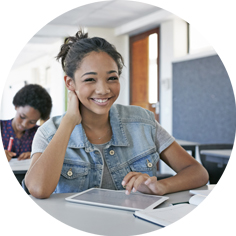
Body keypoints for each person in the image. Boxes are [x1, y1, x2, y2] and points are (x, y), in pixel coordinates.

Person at [25, 30, 208, 199]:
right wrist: (69, 121)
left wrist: (161, 186)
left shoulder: (143, 122)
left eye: (112, 78)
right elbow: (38, 189)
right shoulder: (48, 133)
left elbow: (197, 172)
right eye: (90, 79)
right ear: (70, 83)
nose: (103, 89)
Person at [1, 84, 52, 162]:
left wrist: (37, 155)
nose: (24, 124)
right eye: (22, 116)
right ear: (16, 106)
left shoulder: (39, 134)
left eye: (32, 122)